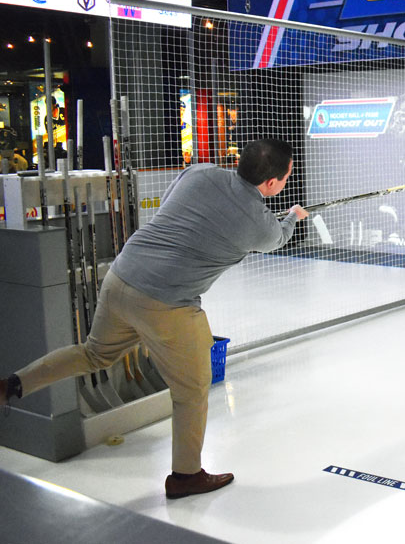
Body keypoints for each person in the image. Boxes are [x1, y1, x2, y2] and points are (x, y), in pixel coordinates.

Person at [0, 138, 308, 499]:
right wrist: (292, 216)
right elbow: (278, 238)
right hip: (168, 302)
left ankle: (12, 385)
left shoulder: (201, 172)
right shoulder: (261, 225)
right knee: (192, 390)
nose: (285, 183)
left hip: (121, 276)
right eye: (286, 177)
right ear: (272, 184)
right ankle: (185, 476)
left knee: (94, 354)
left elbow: (171, 206)